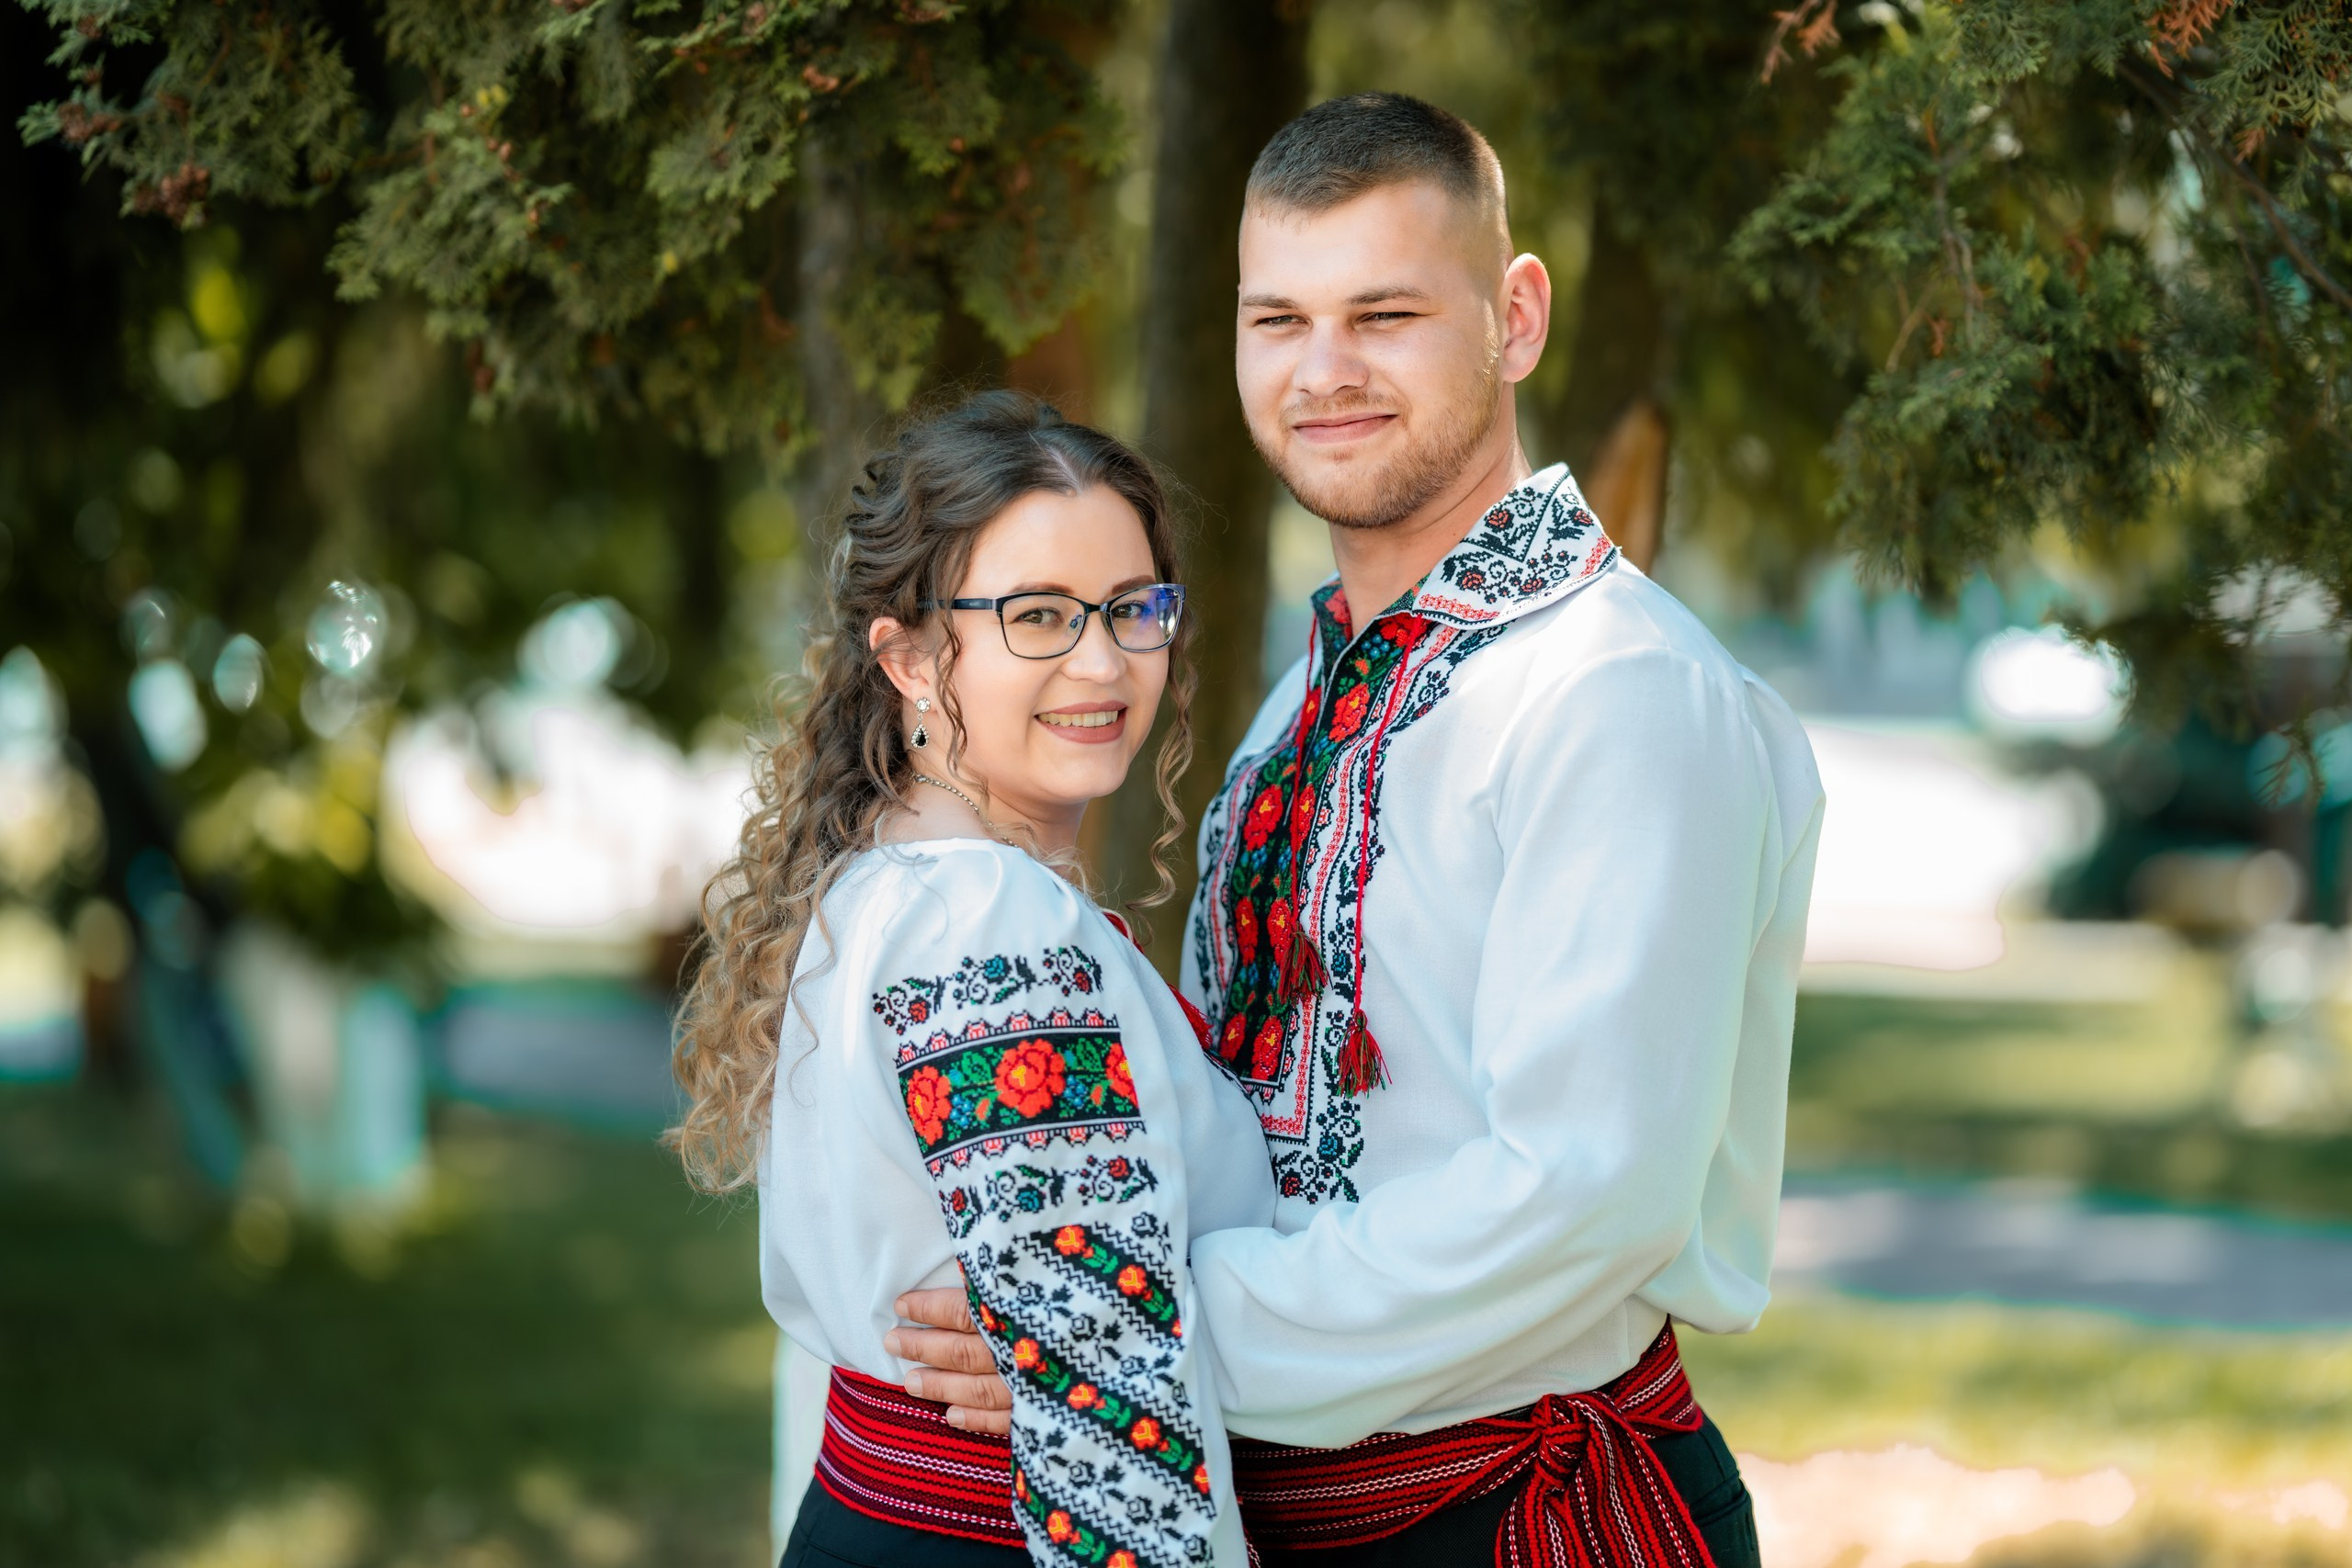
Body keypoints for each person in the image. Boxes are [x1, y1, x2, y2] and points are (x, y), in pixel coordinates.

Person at [891, 95, 1825, 1568]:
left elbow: (1583, 1193)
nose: (1324, 373)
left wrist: (1121, 1345)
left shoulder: (1616, 689)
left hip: (1514, 1512)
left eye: (1383, 312)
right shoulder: (1300, 702)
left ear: (1515, 319)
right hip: (1278, 1497)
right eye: (1281, 319)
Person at [672, 390, 1275, 1568]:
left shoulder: (878, 888)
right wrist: (1091, 1351)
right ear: (904, 656)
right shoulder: (987, 923)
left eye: (1130, 608)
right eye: (1037, 615)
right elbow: (1113, 1462)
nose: (1102, 661)